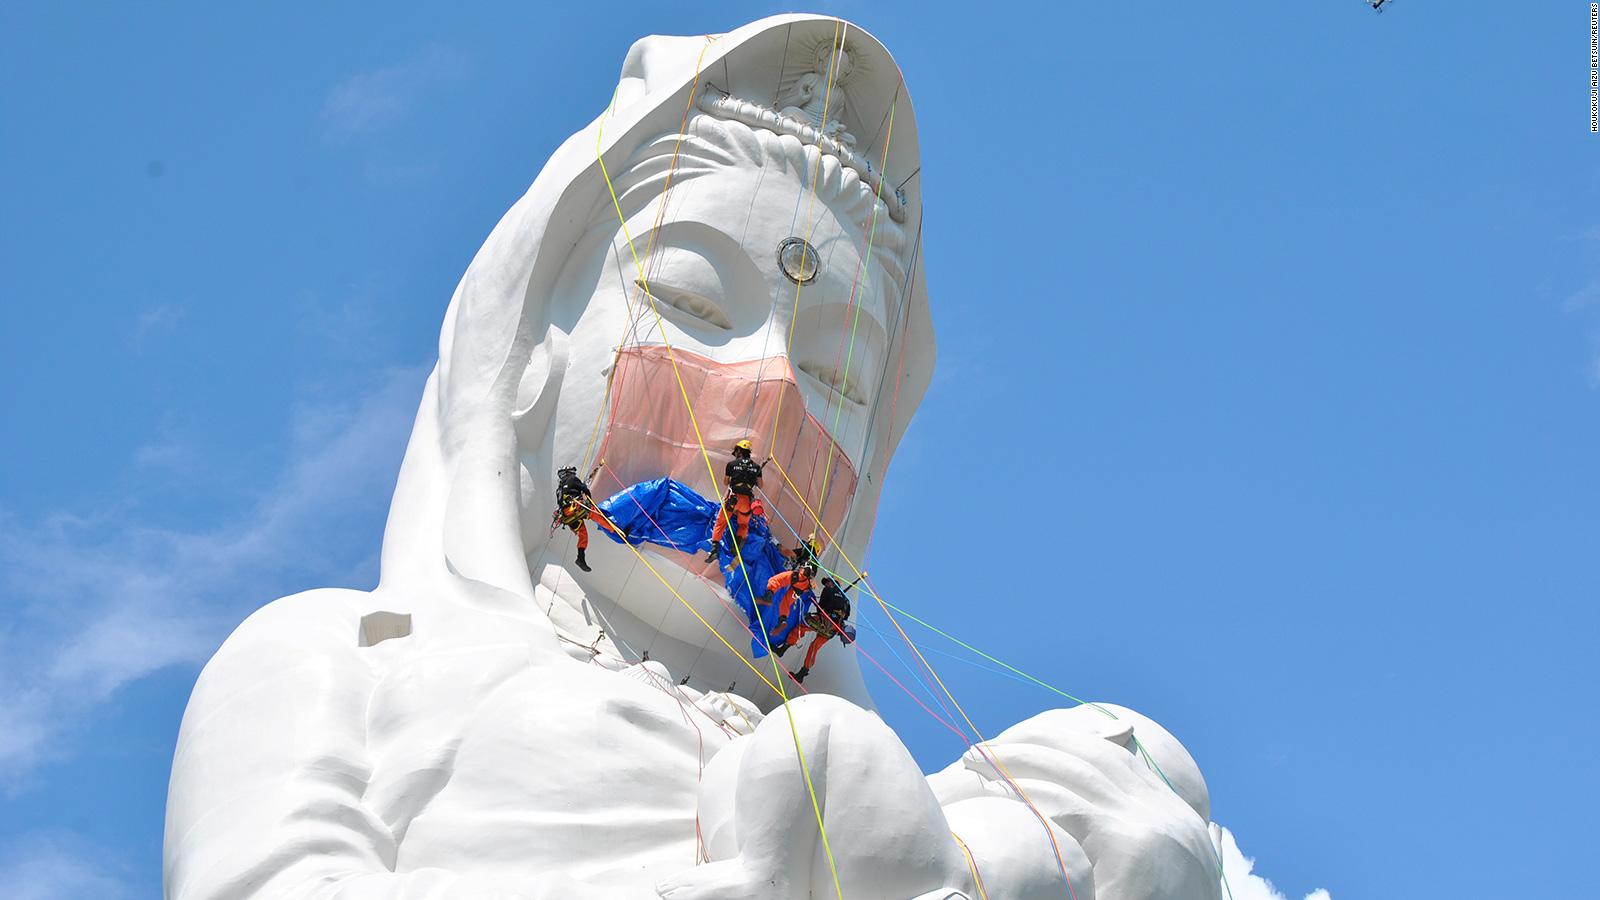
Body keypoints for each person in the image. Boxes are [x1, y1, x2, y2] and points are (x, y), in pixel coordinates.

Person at [776, 574, 856, 684]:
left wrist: (820, 610)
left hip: (823, 620)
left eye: (827, 582)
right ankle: (803, 673)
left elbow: (821, 606)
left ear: (832, 583)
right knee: (814, 647)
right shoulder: (846, 600)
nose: (826, 584)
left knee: (802, 627)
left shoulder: (828, 589)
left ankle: (783, 648)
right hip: (833, 629)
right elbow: (846, 615)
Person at [552, 465, 616, 572]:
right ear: (568, 472)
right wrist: (589, 501)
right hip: (576, 507)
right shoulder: (572, 479)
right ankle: (616, 530)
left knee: (583, 535)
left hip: (567, 517)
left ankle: (580, 557)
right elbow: (585, 490)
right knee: (597, 516)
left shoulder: (559, 489)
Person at [709, 439, 767, 554]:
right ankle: (737, 546)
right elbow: (760, 485)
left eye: (736, 451)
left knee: (721, 522)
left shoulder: (731, 464)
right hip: (746, 502)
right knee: (743, 525)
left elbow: (726, 482)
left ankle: (714, 549)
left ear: (739, 451)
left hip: (733, 499)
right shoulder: (756, 467)